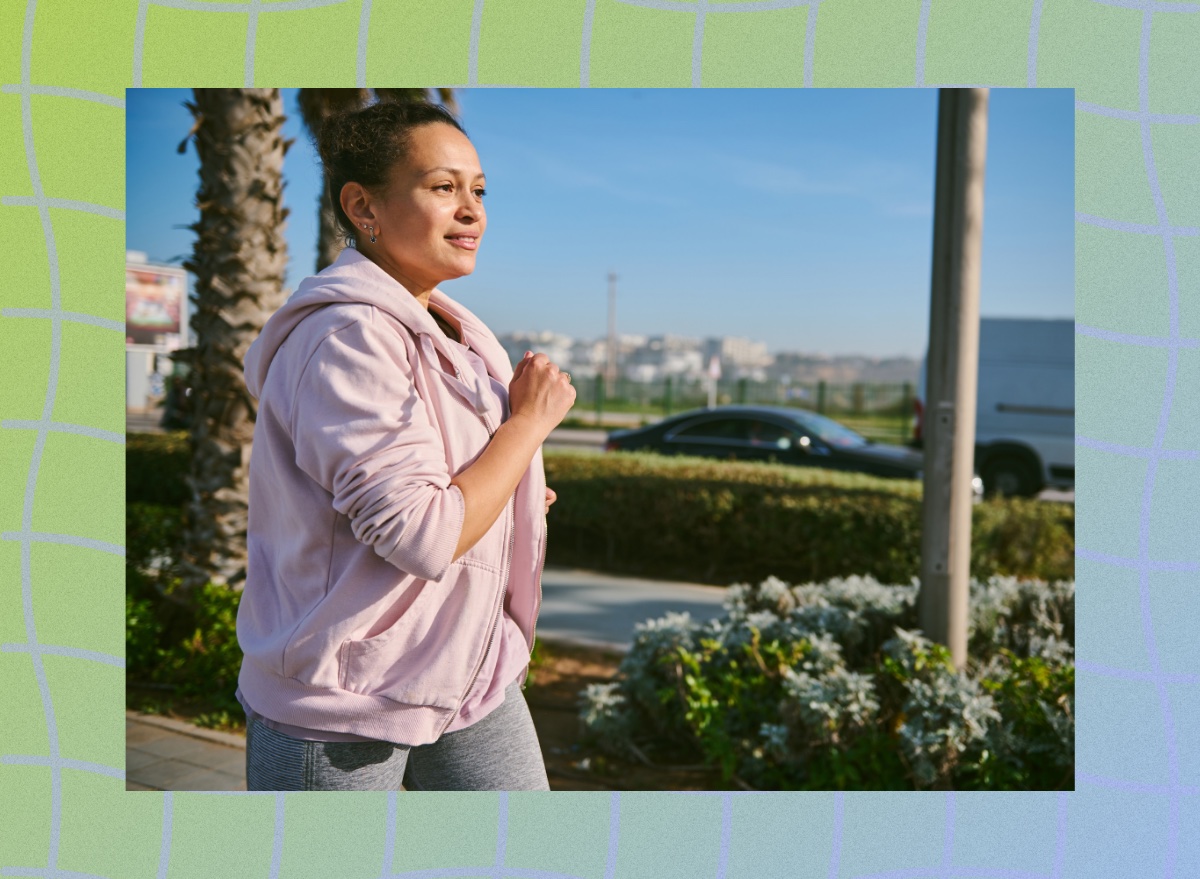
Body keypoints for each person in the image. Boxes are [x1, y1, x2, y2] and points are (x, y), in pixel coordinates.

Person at [235, 100, 575, 791]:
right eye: (443, 187)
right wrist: (528, 424)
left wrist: (510, 495)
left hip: (469, 677)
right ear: (363, 206)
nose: (472, 211)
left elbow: (438, 482)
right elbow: (422, 533)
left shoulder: (458, 332)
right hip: (345, 704)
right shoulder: (346, 337)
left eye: (479, 190)